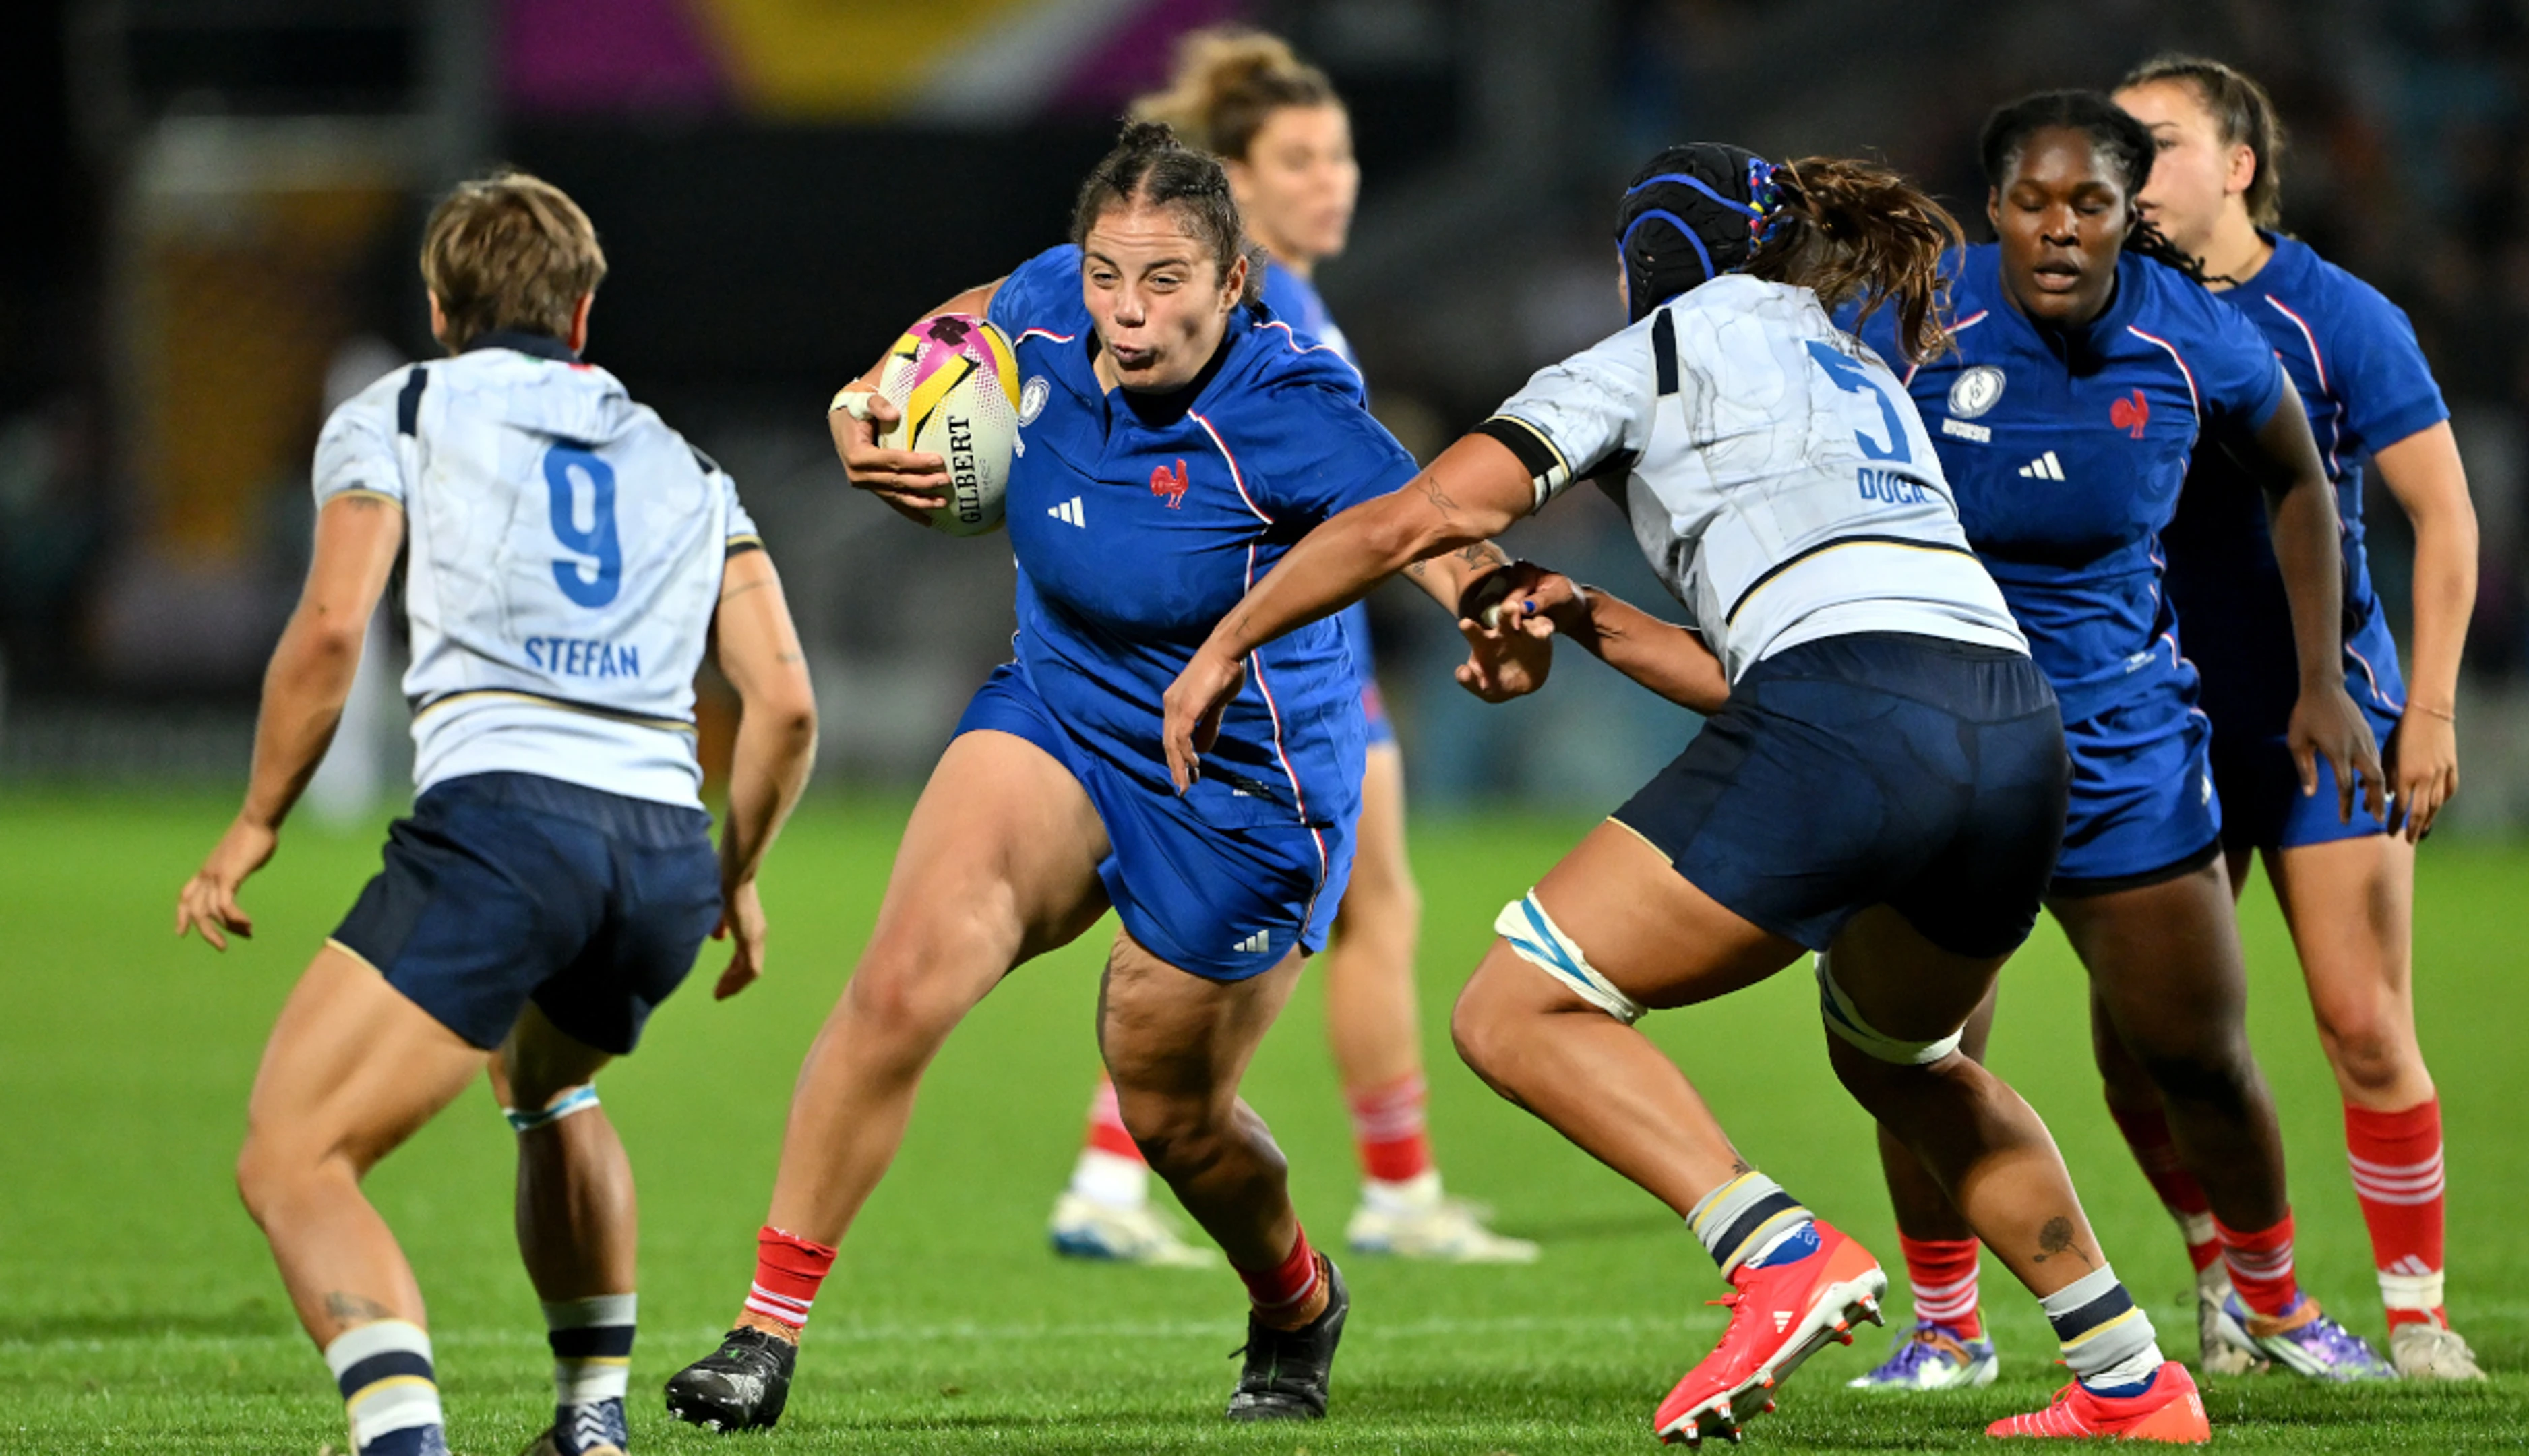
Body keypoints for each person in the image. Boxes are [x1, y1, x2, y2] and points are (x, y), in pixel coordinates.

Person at [1164, 141, 2213, 1445]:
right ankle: (2131, 1380)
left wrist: (1221, 648)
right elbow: (1770, 662)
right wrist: (1589, 613)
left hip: (1857, 715)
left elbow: (1407, 517)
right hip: (2012, 732)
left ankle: (1774, 1250)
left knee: (1515, 1009)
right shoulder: (1858, 367)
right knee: (1907, 1057)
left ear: (1646, 261)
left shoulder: (1651, 348)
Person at [661, 121, 1531, 1433]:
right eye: (1109, 275)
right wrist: (864, 401)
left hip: (1240, 794)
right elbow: (960, 321)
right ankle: (763, 1332)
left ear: (1233, 284)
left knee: (1173, 1118)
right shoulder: (1054, 303)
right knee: (904, 980)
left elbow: (1423, 524)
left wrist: (1489, 605)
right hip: (1061, 714)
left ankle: (1296, 1302)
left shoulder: (1293, 412)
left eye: (1165, 281)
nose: (1127, 312)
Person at [175, 171, 818, 1456]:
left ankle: (400, 1440)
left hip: (511, 826)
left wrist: (253, 825)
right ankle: (591, 1423)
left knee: (292, 1159)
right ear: (584, 314)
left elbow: (331, 629)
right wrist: (733, 877)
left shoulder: (401, 409)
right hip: (658, 856)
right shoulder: (689, 467)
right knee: (545, 1088)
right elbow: (786, 704)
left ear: (438, 306)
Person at [1839, 91, 2396, 1395]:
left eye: (2089, 203)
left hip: (2122, 742)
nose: (2059, 229)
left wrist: (2324, 679)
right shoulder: (1914, 314)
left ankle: (2277, 1305)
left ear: (2124, 213)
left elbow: (2302, 481)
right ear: (1995, 210)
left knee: (2198, 1055)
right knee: (1925, 1055)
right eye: (2032, 201)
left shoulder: (2198, 333)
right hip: (1938, 744)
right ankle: (1947, 1329)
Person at [1041, 25, 1534, 1269]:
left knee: (1328, 922)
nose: (1336, 183)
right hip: (1287, 675)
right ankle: (1372, 1187)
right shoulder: (1267, 308)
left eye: (1343, 157)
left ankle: (1139, 1174)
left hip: (1298, 655)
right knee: (1317, 922)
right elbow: (1370, 507)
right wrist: (1473, 589)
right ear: (1238, 192)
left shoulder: (1295, 301)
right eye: (1302, 160)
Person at [2112, 55, 2485, 1381]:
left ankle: (2420, 1314)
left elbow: (2444, 515)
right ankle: (2229, 1292)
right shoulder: (2102, 309)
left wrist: (2427, 706)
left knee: (2365, 1023)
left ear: (2238, 165)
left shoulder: (2338, 316)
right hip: (2157, 723)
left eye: (2153, 144)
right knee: (2152, 1042)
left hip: (2329, 717)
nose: (2126, 170)